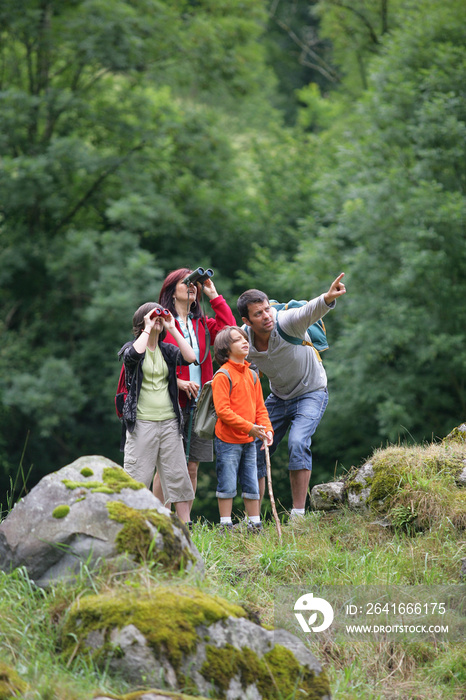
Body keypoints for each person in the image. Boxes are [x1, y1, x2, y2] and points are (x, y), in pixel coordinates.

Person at [237, 273, 346, 518]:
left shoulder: (286, 322)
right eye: (258, 314)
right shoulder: (244, 340)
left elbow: (309, 311)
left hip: (311, 392)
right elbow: (234, 362)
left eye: (267, 310)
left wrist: (328, 297)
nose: (266, 316)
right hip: (278, 397)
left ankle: (298, 515)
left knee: (297, 442)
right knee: (253, 447)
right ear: (247, 320)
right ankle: (252, 518)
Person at [152, 268, 236, 508]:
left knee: (191, 466)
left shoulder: (201, 323)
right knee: (167, 466)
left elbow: (230, 334)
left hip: (200, 403)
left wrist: (214, 295)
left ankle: (183, 524)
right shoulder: (161, 321)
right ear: (171, 290)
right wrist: (176, 381)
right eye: (184, 282)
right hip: (170, 402)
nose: (191, 286)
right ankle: (159, 519)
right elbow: (149, 361)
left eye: (194, 283)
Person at [119, 302, 196, 523]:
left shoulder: (168, 351)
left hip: (170, 422)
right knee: (137, 476)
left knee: (177, 475)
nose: (158, 320)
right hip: (141, 422)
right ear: (142, 321)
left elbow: (190, 357)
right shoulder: (131, 348)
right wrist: (147, 328)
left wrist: (172, 327)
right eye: (154, 317)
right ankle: (132, 523)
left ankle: (185, 526)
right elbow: (133, 356)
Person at [211, 326, 273, 531]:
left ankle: (254, 523)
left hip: (250, 439)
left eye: (245, 338)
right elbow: (223, 411)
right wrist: (250, 428)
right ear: (225, 349)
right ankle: (225, 525)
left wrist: (267, 430)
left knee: (252, 482)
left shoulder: (252, 375)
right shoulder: (222, 375)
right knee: (227, 483)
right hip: (228, 440)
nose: (245, 342)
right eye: (238, 340)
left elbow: (260, 409)